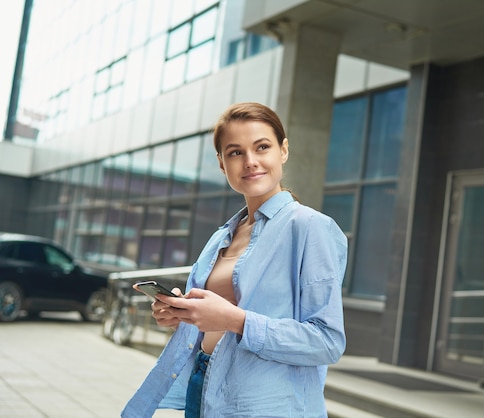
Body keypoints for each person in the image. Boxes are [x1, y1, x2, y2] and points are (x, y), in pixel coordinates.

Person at [122, 102, 347, 417]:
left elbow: (326, 342)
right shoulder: (222, 236)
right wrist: (181, 313)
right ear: (221, 163)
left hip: (266, 405)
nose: (250, 162)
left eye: (262, 147)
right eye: (235, 152)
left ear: (283, 151)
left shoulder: (310, 228)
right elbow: (214, 318)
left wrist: (234, 320)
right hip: (204, 385)